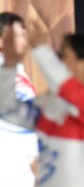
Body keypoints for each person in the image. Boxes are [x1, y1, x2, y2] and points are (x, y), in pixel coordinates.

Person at [0, 18, 84, 187]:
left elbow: (70, 91)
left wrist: (40, 49)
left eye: (62, 54)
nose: (56, 59)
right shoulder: (49, 102)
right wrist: (9, 65)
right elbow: (8, 111)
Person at [0, 13, 37, 187]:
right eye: (17, 36)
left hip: (23, 169)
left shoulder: (17, 70)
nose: (23, 41)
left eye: (24, 34)